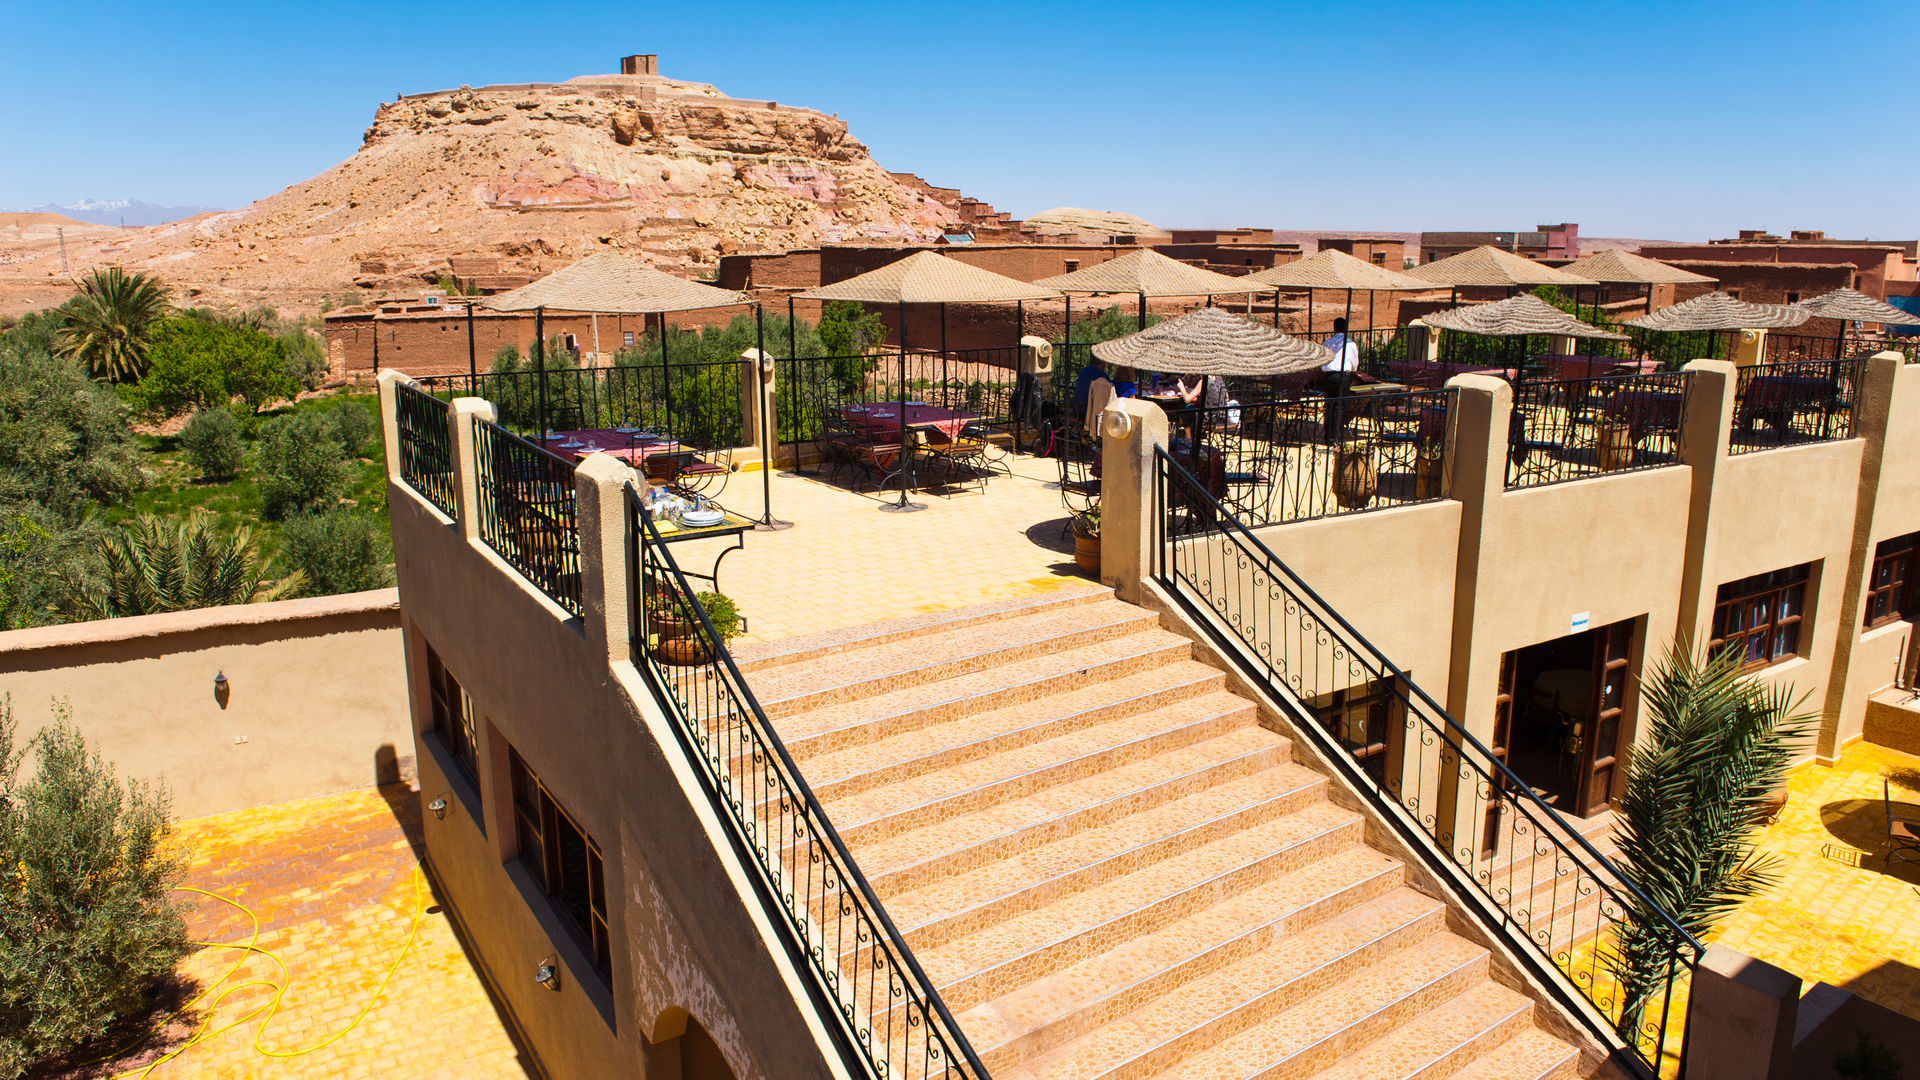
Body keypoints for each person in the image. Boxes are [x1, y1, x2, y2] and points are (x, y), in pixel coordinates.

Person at [1321, 317, 1359, 443]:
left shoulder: (1327, 343)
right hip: (1343, 376)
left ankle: (1328, 436)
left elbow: (1322, 361)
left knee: (1330, 406)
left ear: (1334, 328)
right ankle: (1336, 437)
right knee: (1340, 407)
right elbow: (1354, 365)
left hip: (1329, 376)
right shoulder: (1350, 344)